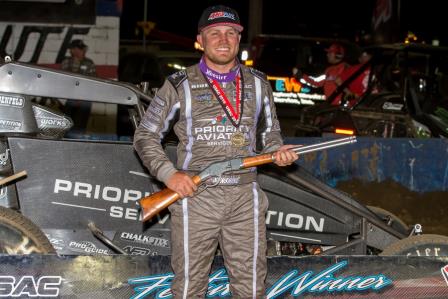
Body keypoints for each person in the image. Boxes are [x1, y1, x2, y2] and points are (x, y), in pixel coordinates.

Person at [133, 5, 298, 298]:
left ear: (239, 39)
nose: (223, 40)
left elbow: (270, 134)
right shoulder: (179, 84)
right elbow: (145, 135)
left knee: (251, 288)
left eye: (231, 32)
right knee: (188, 288)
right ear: (200, 40)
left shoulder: (259, 84)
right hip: (196, 198)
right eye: (214, 33)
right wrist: (170, 176)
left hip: (245, 198)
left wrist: (277, 152)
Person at [61, 39, 96, 134]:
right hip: (70, 98)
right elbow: (65, 80)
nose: (80, 51)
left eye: (81, 49)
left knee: (80, 127)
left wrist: (82, 97)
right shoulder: (66, 62)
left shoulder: (89, 63)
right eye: (76, 49)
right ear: (72, 50)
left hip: (85, 99)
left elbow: (93, 82)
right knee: (67, 125)